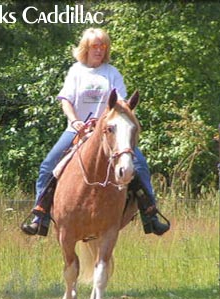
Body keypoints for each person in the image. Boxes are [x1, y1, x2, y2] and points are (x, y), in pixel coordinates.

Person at [21, 28, 170, 237]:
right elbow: (66, 100)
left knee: (140, 166)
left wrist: (117, 114)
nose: (99, 50)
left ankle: (151, 215)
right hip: (77, 130)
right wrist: (75, 121)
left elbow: (121, 103)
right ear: (86, 48)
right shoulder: (76, 71)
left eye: (103, 46)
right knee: (48, 166)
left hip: (109, 132)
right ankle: (40, 216)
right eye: (95, 46)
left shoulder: (112, 73)